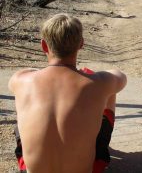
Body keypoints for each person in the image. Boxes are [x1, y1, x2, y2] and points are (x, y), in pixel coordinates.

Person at [9, 13, 127, 173]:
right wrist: (87, 74)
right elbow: (121, 77)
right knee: (109, 93)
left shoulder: (21, 79)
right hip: (89, 169)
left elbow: (32, 76)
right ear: (81, 44)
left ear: (44, 46)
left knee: (25, 107)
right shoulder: (100, 82)